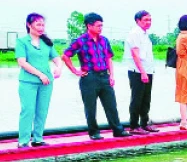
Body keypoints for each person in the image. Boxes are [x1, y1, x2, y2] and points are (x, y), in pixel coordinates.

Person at [62, 12, 131, 140]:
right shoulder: (80, 41)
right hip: (89, 78)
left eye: (101, 26)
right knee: (90, 107)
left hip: (104, 76)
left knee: (111, 105)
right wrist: (75, 71)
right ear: (89, 26)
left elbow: (109, 58)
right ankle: (94, 132)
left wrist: (112, 75)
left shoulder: (104, 40)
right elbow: (65, 55)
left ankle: (118, 130)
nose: (101, 28)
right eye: (98, 26)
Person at [15, 13, 62, 148]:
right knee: (27, 110)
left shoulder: (46, 42)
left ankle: (38, 139)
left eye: (43, 24)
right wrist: (39, 74)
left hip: (46, 83)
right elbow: (22, 62)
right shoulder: (22, 42)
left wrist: (59, 68)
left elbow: (57, 58)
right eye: (38, 24)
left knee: (42, 110)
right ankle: (23, 141)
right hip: (28, 82)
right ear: (29, 25)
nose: (41, 27)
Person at [124, 10, 159, 135]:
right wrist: (142, 72)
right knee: (137, 98)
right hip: (137, 71)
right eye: (145, 20)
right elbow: (135, 54)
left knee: (146, 98)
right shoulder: (135, 34)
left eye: (150, 20)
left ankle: (144, 123)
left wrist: (147, 72)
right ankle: (134, 126)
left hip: (148, 70)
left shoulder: (145, 34)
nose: (148, 22)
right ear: (137, 21)